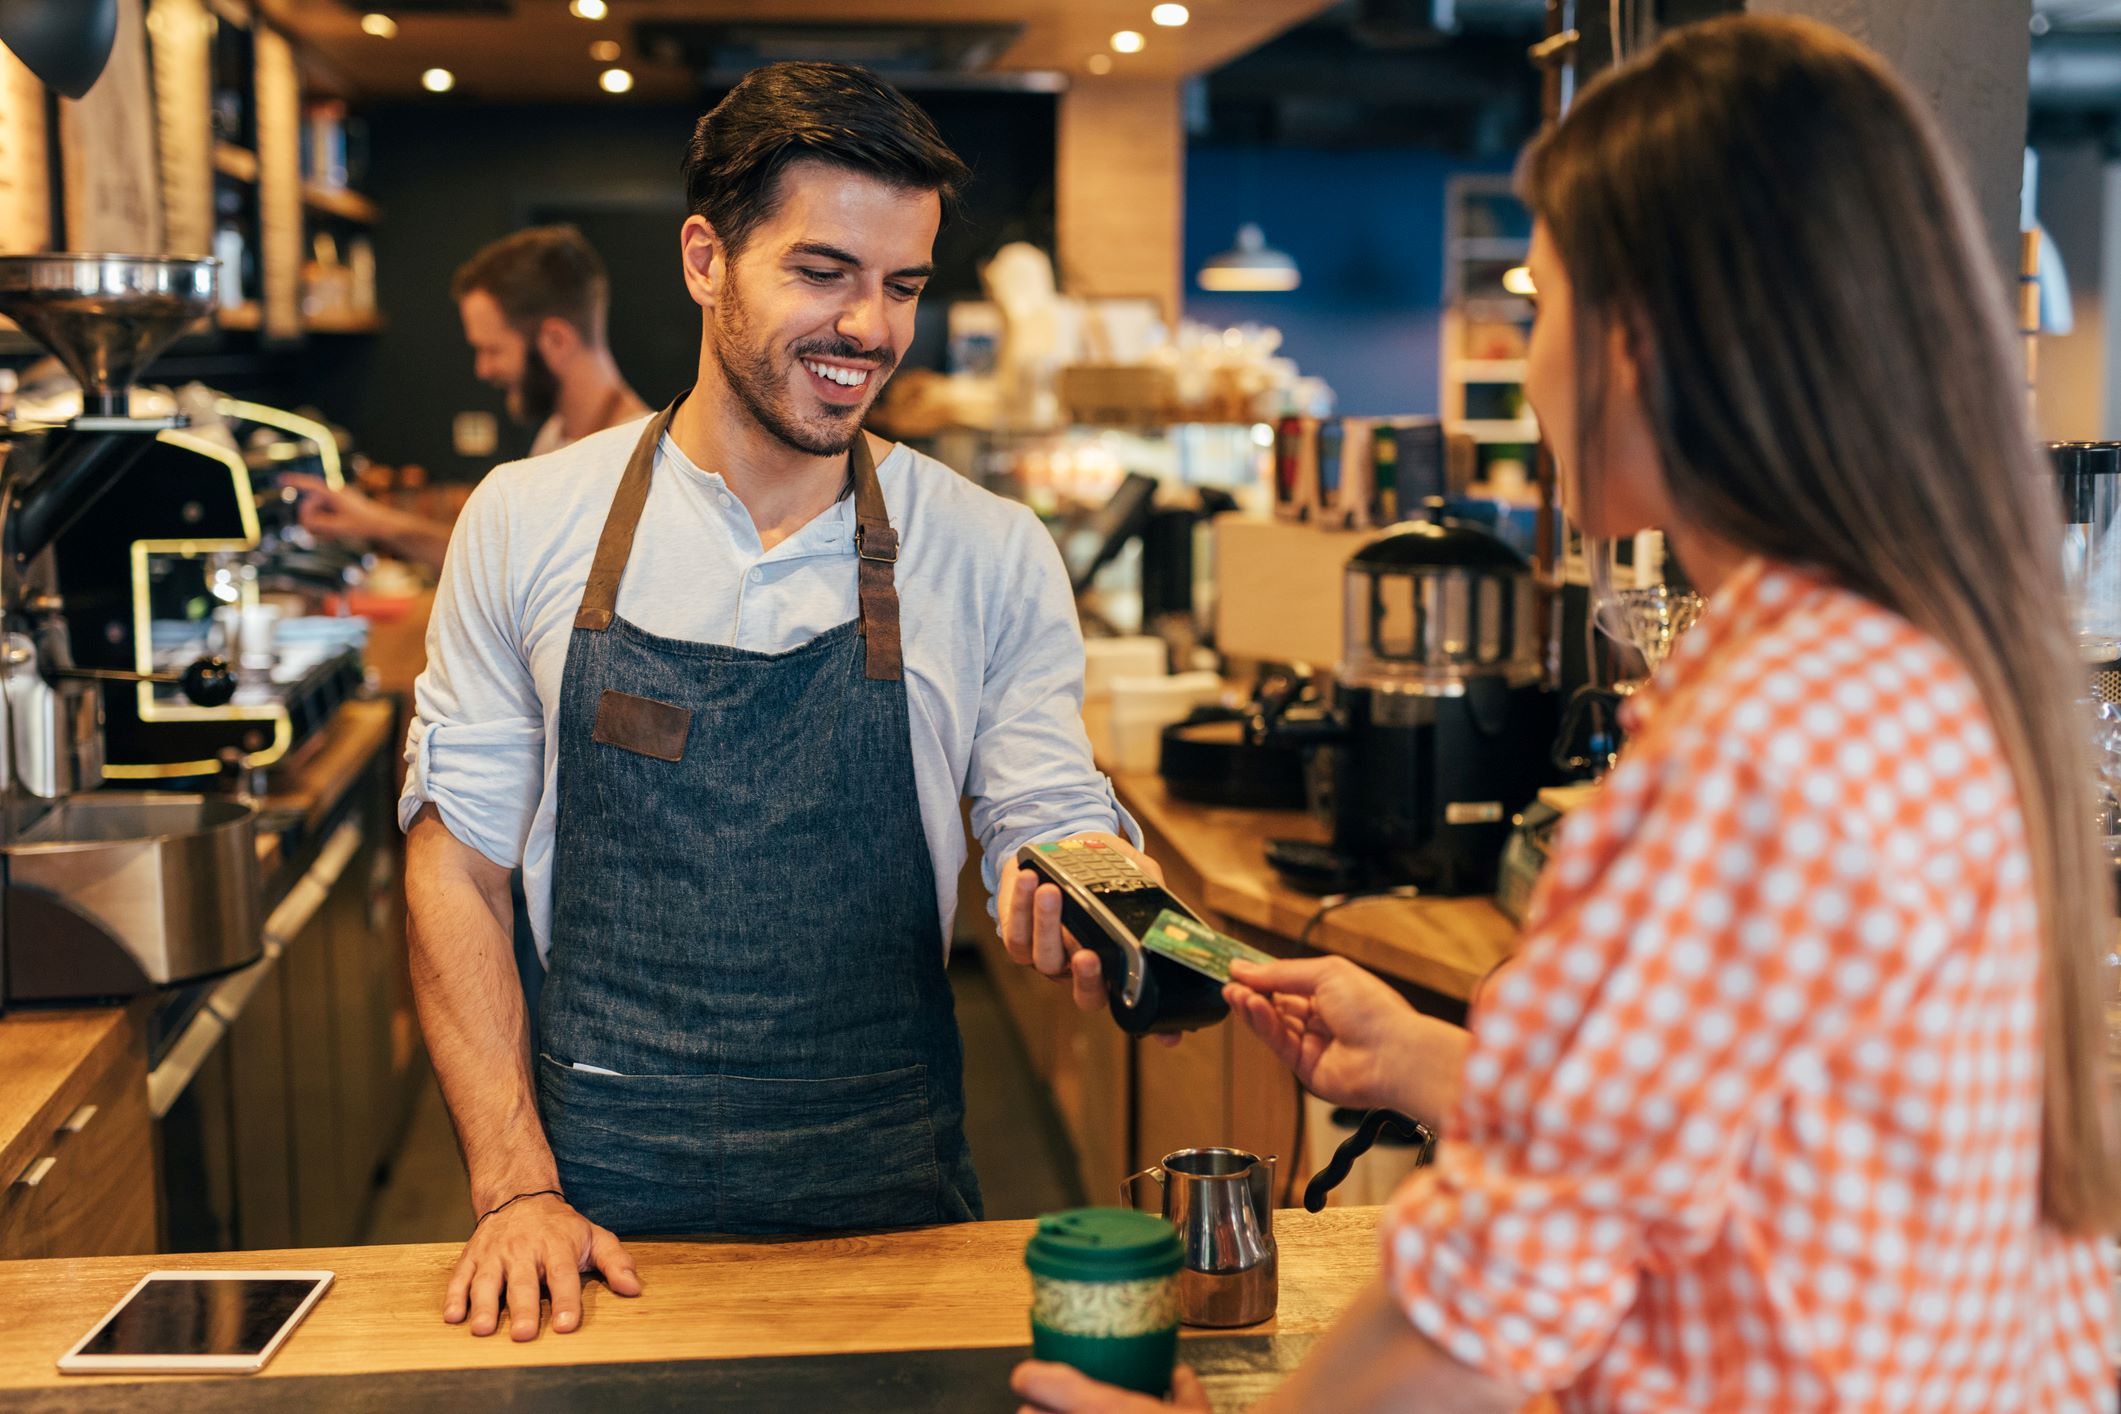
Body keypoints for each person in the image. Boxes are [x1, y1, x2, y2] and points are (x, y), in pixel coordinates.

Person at [1012, 16, 2119, 1413]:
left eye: (1544, 310)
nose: (1526, 370)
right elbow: (1764, 1156)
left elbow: (1467, 1324)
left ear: (1641, 344)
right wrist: (1435, 1064)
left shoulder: (1749, 754)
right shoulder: (1934, 667)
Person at [402, 61, 1148, 1344]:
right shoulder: (528, 521)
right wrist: (512, 1179)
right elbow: (453, 864)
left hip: (890, 1206)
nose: (870, 325)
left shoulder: (985, 547)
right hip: (590, 1222)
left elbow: (1047, 803)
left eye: (902, 284)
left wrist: (1087, 890)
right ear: (706, 260)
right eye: (824, 272)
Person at [287, 225, 648, 567]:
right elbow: (504, 565)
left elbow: (506, 570)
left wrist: (377, 523)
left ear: (556, 340)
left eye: (492, 350)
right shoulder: (558, 433)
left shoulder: (634, 463)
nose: (483, 370)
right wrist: (372, 521)